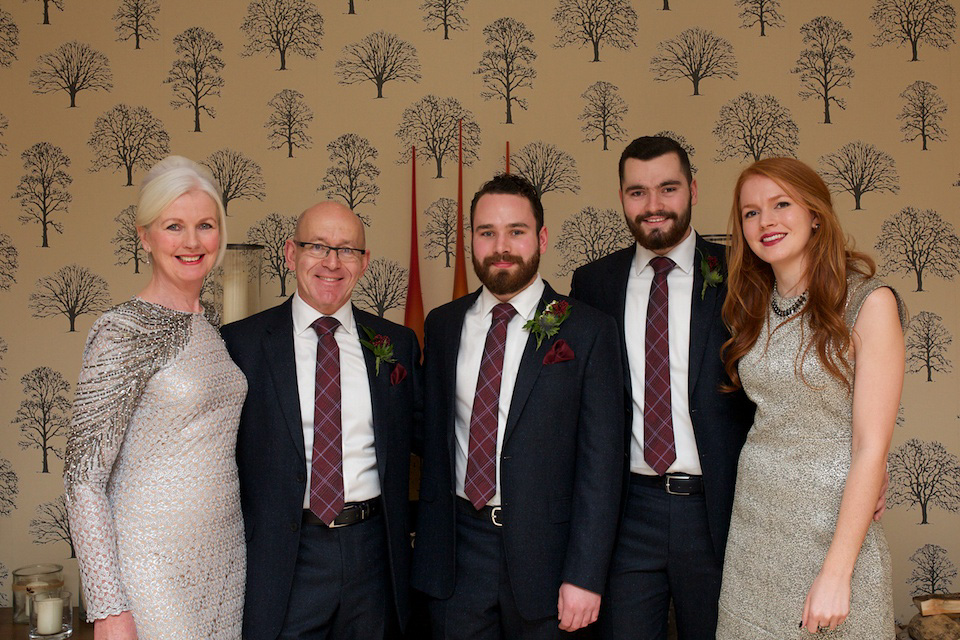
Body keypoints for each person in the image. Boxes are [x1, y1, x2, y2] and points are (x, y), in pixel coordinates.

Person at [412, 173, 624, 639]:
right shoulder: (444, 326)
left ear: (541, 238)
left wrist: (585, 575)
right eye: (487, 232)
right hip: (457, 556)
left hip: (548, 562)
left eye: (516, 231)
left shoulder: (587, 330)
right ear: (470, 240)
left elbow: (602, 465)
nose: (501, 246)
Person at [570, 136, 756, 640]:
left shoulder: (741, 274)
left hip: (716, 509)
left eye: (668, 188)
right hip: (628, 510)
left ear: (693, 189)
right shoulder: (592, 284)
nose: (653, 206)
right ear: (622, 197)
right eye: (637, 192)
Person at [716, 158, 905, 638]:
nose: (766, 221)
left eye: (781, 204)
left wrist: (837, 574)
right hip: (754, 531)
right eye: (751, 213)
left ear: (815, 213)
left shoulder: (867, 301)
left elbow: (870, 448)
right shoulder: (751, 304)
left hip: (830, 532)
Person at [220, 202, 421, 640]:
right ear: (291, 254)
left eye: (347, 250)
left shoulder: (396, 345)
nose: (332, 262)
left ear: (364, 263)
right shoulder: (241, 344)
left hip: (372, 555)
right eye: (317, 247)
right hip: (284, 557)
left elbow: (432, 442)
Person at [64, 156, 246, 639]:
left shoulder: (209, 326)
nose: (192, 241)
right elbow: (82, 476)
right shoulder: (125, 330)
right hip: (151, 569)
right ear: (145, 236)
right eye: (174, 226)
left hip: (224, 564)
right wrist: (108, 607)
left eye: (205, 225)